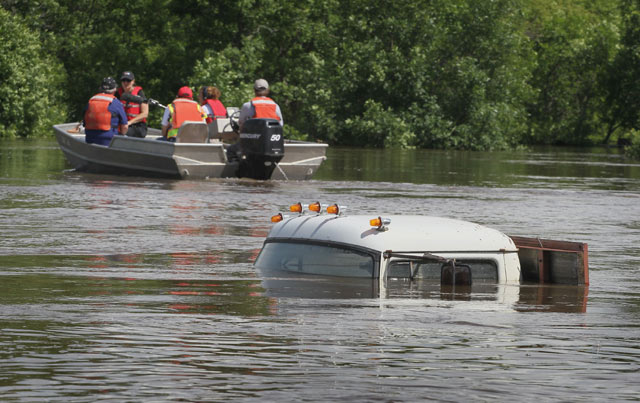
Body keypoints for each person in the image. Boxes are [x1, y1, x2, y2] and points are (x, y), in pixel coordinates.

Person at [83, 77, 128, 146]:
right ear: (114, 90)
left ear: (100, 89)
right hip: (109, 141)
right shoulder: (116, 103)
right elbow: (125, 127)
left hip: (90, 139)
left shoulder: (91, 100)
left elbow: (84, 122)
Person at [116, 71, 149, 138]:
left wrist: (129, 122)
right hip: (123, 125)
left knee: (122, 133)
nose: (125, 83)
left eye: (128, 80)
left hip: (137, 126)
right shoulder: (118, 93)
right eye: (123, 80)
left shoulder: (139, 93)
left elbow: (145, 113)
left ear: (133, 81)